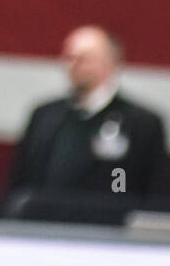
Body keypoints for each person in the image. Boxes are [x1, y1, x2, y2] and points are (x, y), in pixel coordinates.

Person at [9, 26, 167, 205]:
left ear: (111, 63)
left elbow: (154, 191)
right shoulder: (45, 116)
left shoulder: (142, 123)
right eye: (69, 57)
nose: (73, 65)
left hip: (107, 226)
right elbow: (20, 181)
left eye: (83, 59)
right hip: (47, 222)